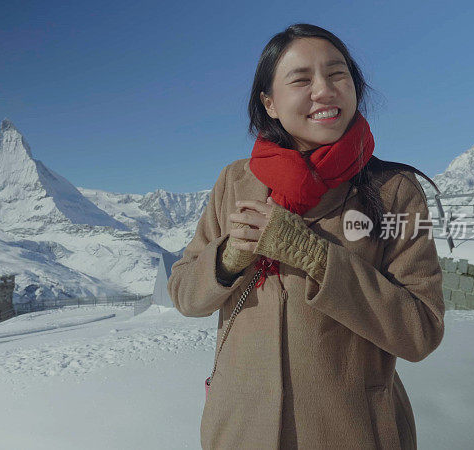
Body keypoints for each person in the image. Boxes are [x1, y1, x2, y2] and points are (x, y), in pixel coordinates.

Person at [168, 23, 445, 449]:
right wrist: (226, 259)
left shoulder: (394, 191)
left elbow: (421, 330)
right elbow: (186, 294)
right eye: (301, 79)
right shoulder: (235, 182)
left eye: (337, 75)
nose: (324, 90)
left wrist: (316, 257)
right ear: (270, 103)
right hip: (241, 429)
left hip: (353, 430)